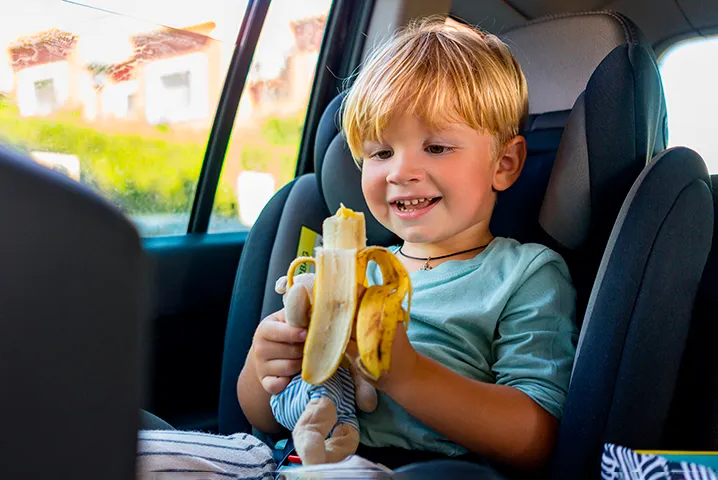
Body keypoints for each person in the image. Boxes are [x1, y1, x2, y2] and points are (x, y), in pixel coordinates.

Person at [138, 16, 578, 478]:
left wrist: (406, 374)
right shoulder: (356, 269)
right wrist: (263, 366)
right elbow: (259, 417)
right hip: (281, 459)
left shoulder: (525, 273)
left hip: (405, 469)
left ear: (504, 164)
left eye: (437, 148)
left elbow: (536, 437)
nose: (399, 172)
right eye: (381, 153)